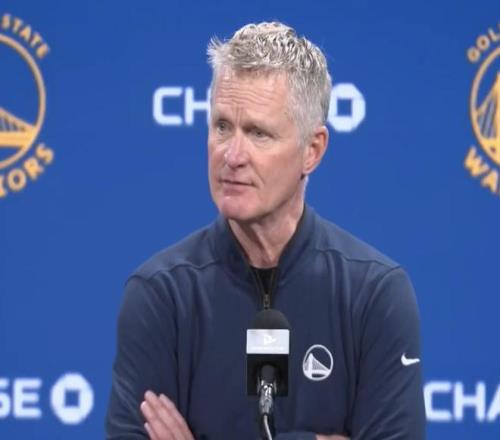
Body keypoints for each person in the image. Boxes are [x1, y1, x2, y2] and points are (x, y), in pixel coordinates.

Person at [106, 22, 425, 440]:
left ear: (312, 150)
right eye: (222, 126)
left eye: (258, 133)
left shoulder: (374, 294)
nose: (232, 155)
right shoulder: (160, 295)